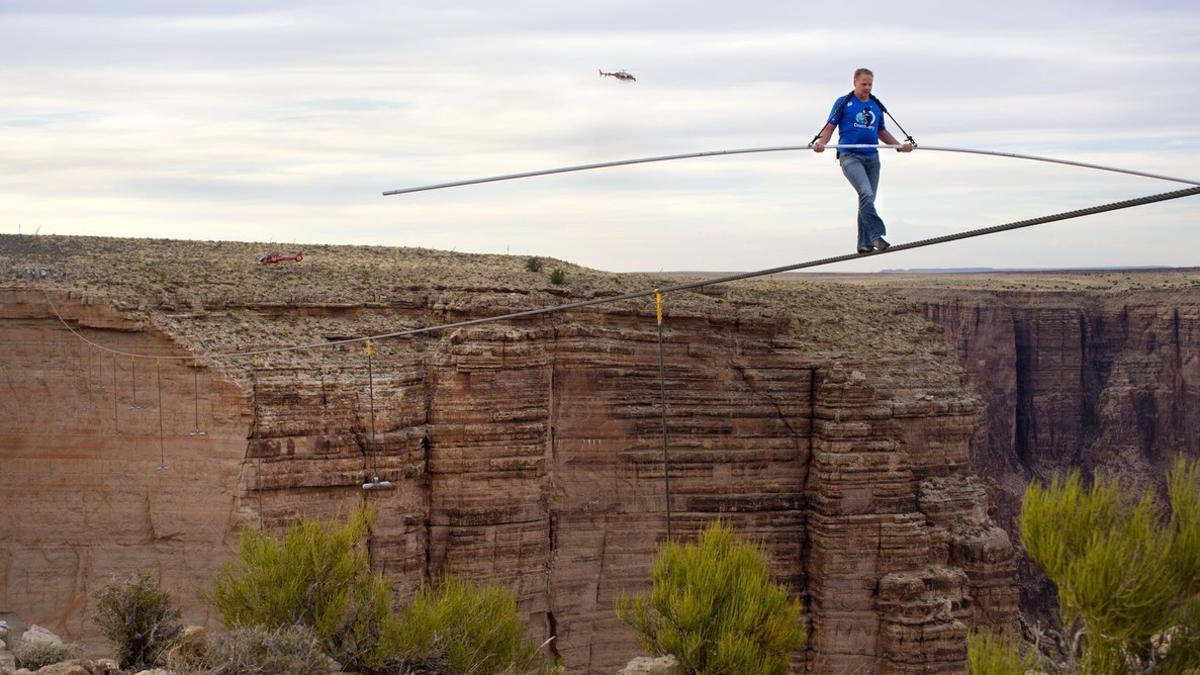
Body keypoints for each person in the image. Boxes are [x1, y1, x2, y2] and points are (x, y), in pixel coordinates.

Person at [812, 68, 913, 254]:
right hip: (850, 155)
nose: (867, 88)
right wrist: (821, 143)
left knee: (868, 199)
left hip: (872, 157)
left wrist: (899, 146)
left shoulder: (876, 105)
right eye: (863, 84)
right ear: (855, 83)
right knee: (866, 193)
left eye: (870, 84)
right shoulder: (844, 102)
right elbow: (830, 127)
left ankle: (863, 243)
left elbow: (881, 131)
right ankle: (876, 236)